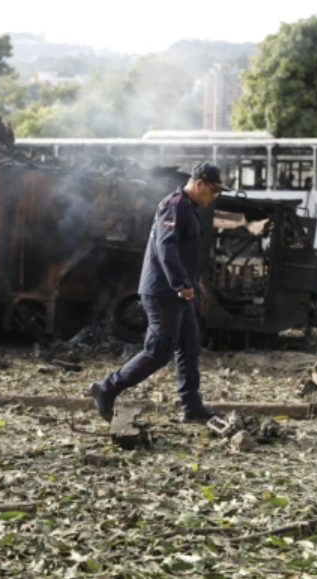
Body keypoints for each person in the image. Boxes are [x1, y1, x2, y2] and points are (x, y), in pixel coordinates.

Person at [90, 162, 229, 423]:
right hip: (164, 291)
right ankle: (106, 388)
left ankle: (191, 408)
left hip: (179, 292)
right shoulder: (175, 205)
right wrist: (181, 284)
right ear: (199, 183)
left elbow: (185, 252)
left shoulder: (188, 207)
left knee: (189, 346)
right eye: (213, 191)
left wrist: (193, 283)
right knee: (159, 350)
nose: (214, 197)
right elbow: (167, 247)